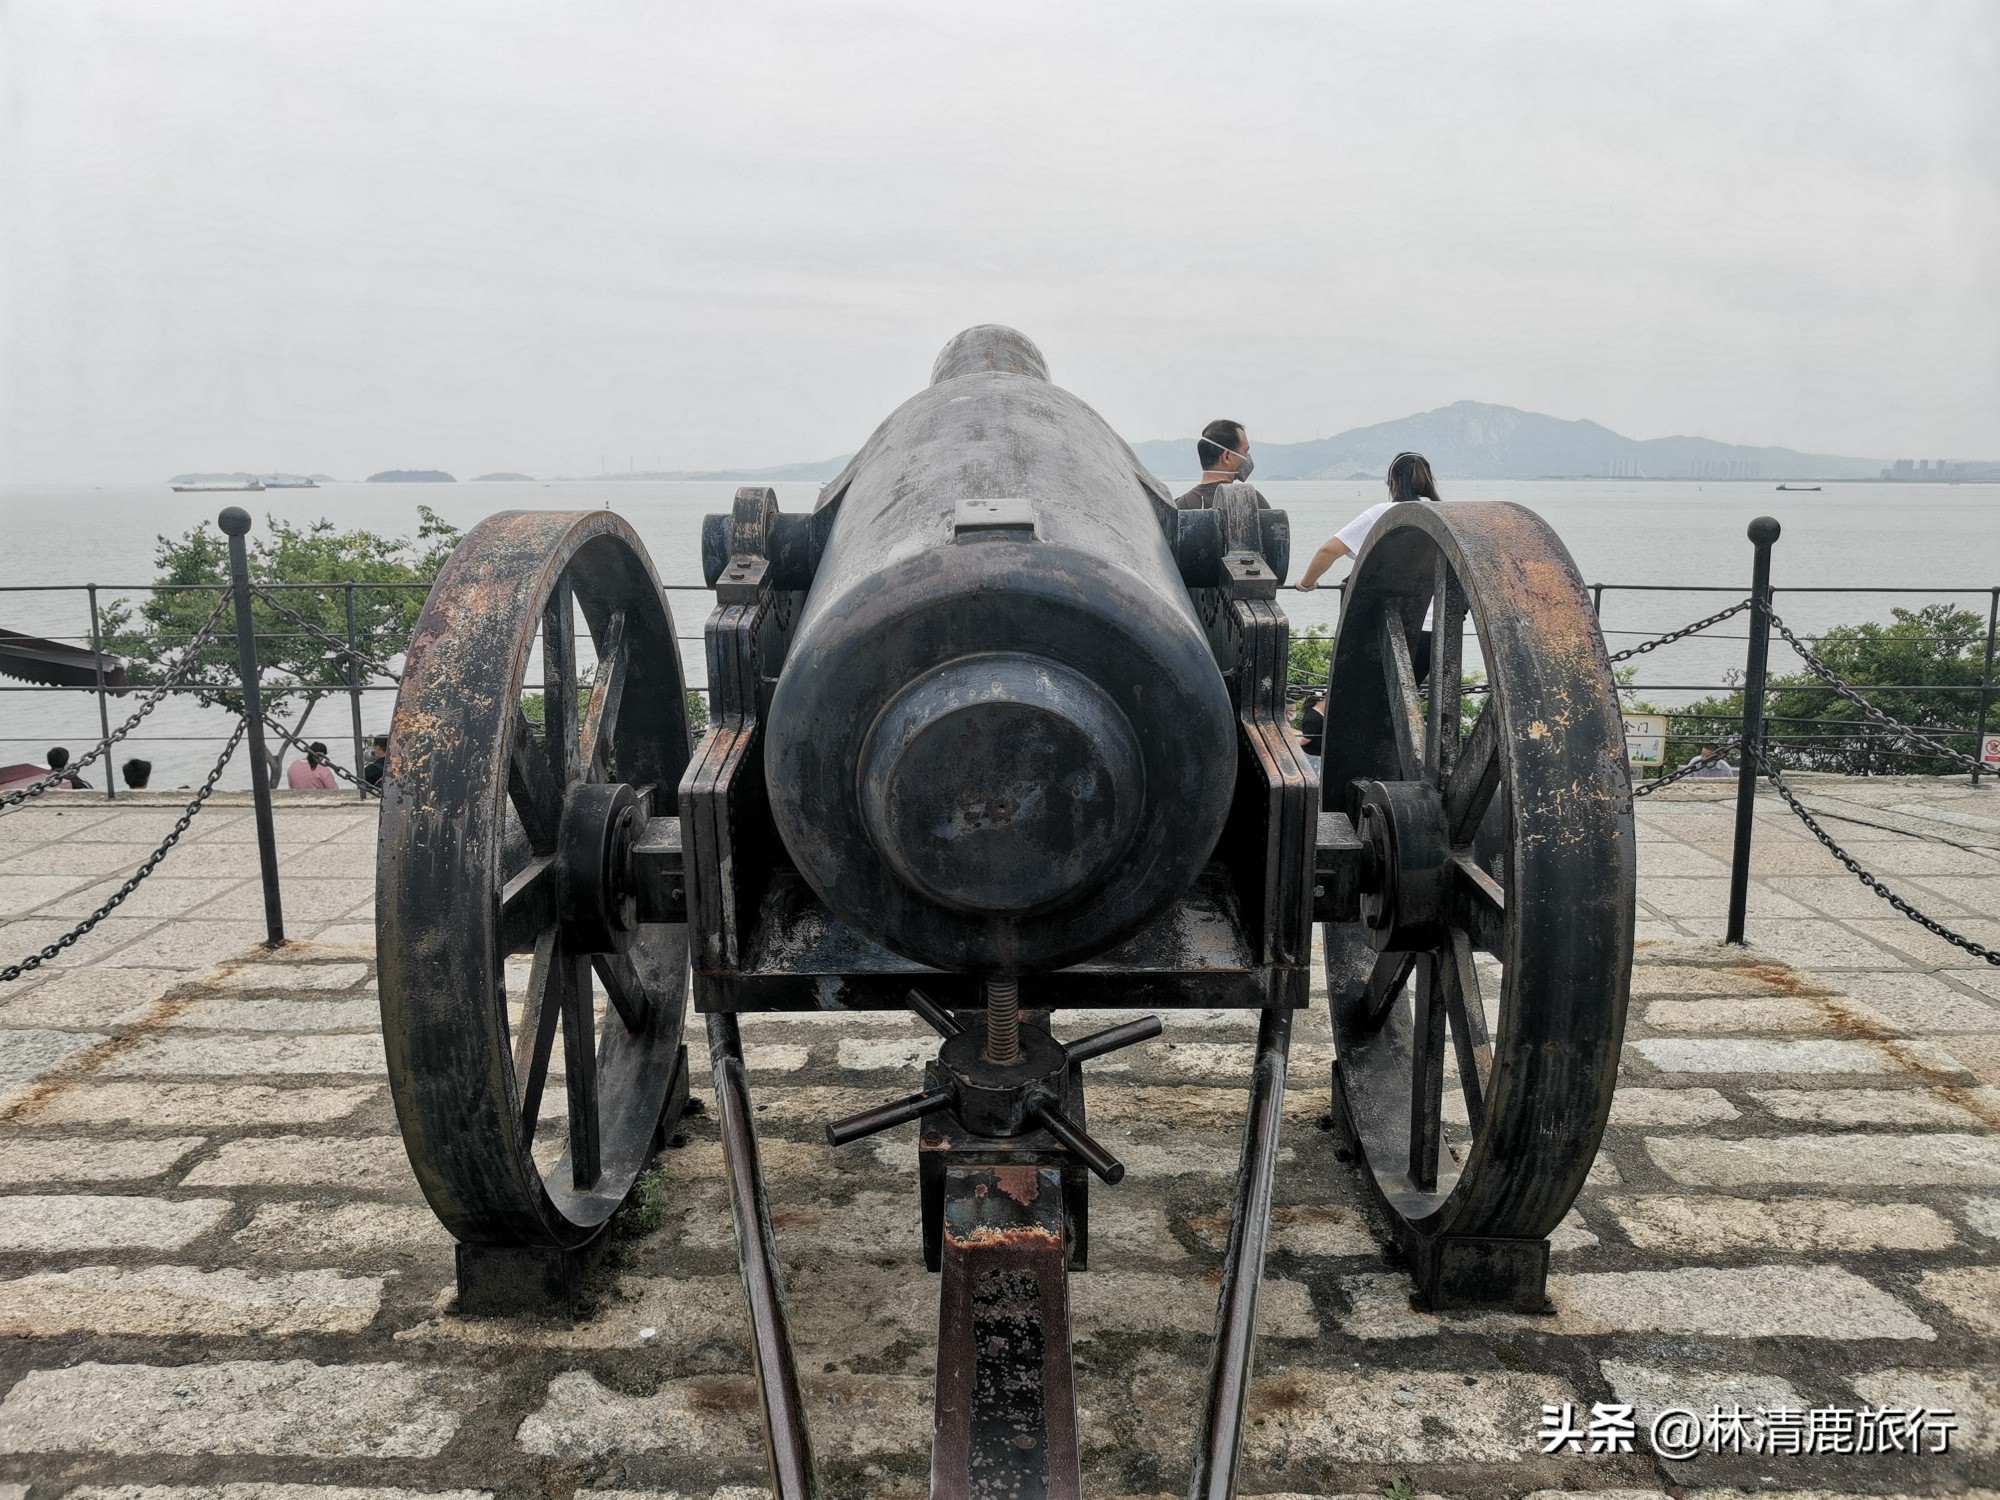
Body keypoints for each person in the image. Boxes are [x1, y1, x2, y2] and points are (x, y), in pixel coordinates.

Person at [1295, 451, 1443, 676]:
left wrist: (1307, 582)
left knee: (1370, 702)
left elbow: (1329, 550)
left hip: (1393, 632)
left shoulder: (1384, 513)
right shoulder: (1443, 515)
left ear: (1393, 484)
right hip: (1437, 633)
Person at [1175, 419, 1271, 511]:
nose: (1247, 457)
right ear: (1227, 457)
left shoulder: (1181, 505)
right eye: (1245, 451)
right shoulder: (1252, 501)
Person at [1296, 688, 1325, 770]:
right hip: (1313, 755)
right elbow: (1306, 739)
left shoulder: (1319, 714)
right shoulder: (1313, 718)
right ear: (1321, 699)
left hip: (1317, 754)